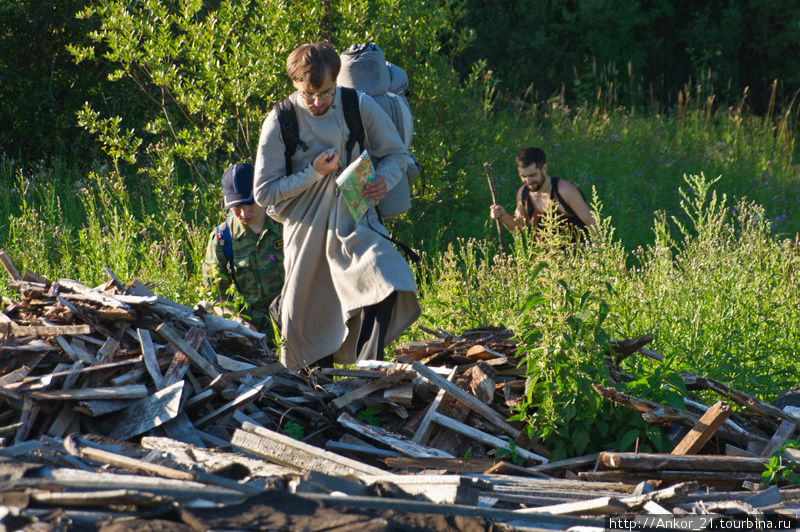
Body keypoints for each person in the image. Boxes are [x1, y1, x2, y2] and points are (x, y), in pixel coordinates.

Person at [253, 42, 420, 369]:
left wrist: (384, 178)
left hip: (358, 219)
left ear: (337, 80)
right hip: (306, 231)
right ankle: (319, 402)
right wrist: (312, 173)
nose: (318, 102)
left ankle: (369, 373)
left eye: (327, 92)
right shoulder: (280, 120)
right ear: (294, 85)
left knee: (388, 279)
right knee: (309, 322)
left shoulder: (358, 105)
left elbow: (396, 154)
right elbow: (263, 192)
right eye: (308, 94)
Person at [201, 162, 284, 335]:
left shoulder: (285, 222)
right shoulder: (223, 239)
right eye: (237, 208)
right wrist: (238, 322)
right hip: (256, 332)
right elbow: (216, 297)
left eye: (250, 204)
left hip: (296, 319)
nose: (244, 214)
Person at [489, 147, 595, 237]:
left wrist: (599, 255)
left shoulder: (564, 191)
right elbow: (518, 227)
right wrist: (502, 216)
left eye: (532, 175)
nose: (528, 181)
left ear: (544, 168)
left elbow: (593, 224)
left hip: (575, 258)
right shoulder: (523, 194)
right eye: (523, 176)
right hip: (543, 259)